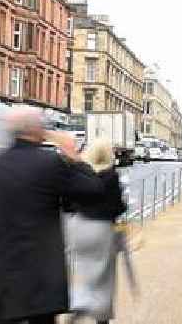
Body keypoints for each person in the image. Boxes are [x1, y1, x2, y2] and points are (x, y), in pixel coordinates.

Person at [0, 108, 109, 324]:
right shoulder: (50, 163)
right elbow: (94, 190)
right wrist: (74, 156)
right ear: (38, 131)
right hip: (40, 286)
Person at [66, 138, 128, 324]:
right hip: (101, 229)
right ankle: (101, 317)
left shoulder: (81, 174)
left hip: (78, 226)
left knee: (81, 270)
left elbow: (69, 202)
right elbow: (117, 206)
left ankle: (80, 300)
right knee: (104, 276)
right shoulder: (111, 176)